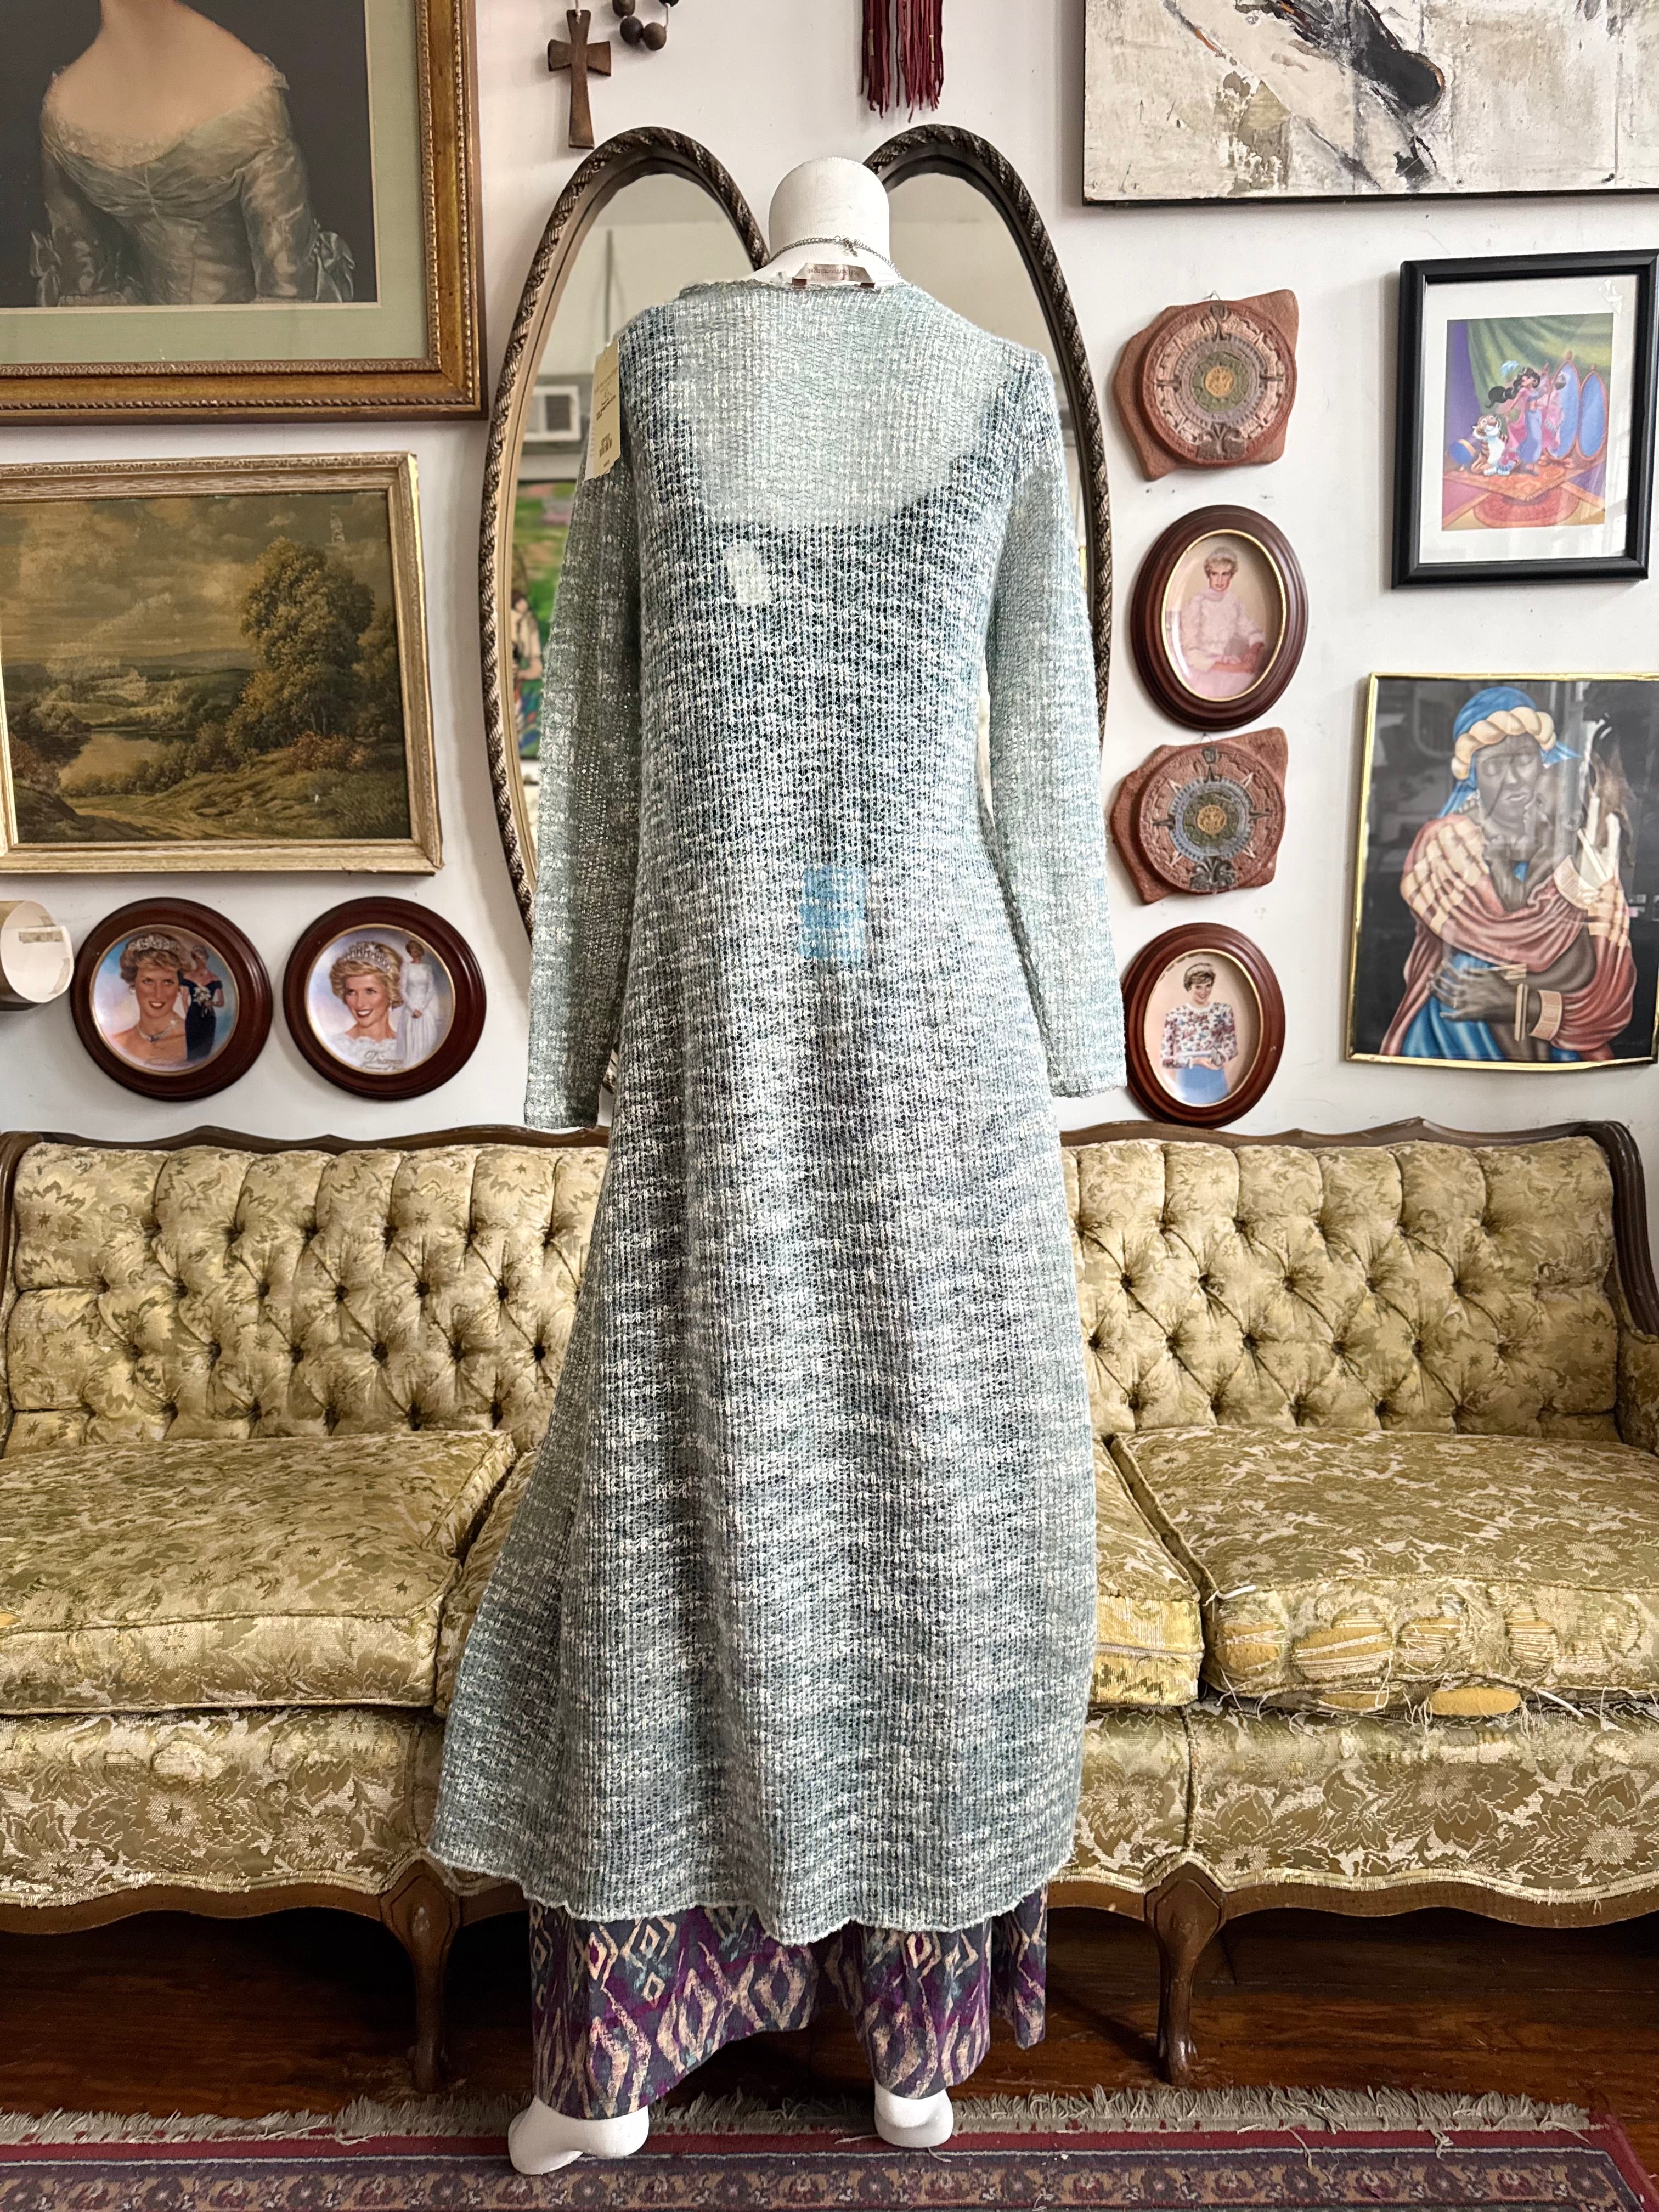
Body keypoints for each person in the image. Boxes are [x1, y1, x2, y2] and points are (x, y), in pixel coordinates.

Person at [432, 156, 1123, 2177]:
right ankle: (875, 2050)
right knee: (807, 1499)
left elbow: (614, 756)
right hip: (870, 1027)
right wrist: (1069, 1050)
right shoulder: (732, 382)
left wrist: (583, 1045)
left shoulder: (880, 388)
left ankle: (642, 2066)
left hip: (768, 1008)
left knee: (783, 1499)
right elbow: (619, 722)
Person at [32, 0, 354, 308]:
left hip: (237, 345)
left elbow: (290, 298)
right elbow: (87, 291)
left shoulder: (63, 107)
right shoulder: (62, 111)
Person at [1381, 685, 1635, 1063]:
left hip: (1558, 1049)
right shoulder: (1447, 841)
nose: (1513, 779)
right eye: (1494, 766)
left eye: (1524, 760)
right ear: (1474, 777)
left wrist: (1519, 1002)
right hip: (1450, 1035)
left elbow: (1605, 992)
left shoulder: (1581, 847)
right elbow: (1498, 939)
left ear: (1543, 762)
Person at [323, 939, 432, 1075]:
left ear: (391, 992)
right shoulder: (335, 1046)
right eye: (351, 992)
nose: (359, 1004)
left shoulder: (409, 1046)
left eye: (370, 991)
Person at [108, 930, 211, 1069]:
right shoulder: (117, 1042)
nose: (158, 994)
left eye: (168, 982)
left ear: (179, 986)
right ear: (134, 983)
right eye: (148, 981)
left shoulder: (196, 1041)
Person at [1174, 549, 1267, 701]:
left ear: (1231, 576)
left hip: (1225, 664)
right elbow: (1190, 654)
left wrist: (1253, 650)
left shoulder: (1233, 602)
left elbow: (1251, 631)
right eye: (1215, 574)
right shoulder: (1197, 603)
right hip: (1202, 668)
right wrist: (1237, 668)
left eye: (1225, 574)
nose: (1220, 580)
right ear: (1208, 575)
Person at [1159, 962, 1238, 1106]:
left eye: (1208, 986)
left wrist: (1219, 1058)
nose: (1204, 992)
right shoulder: (1175, 1016)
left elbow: (1231, 1047)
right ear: (1189, 987)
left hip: (1215, 1071)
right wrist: (1195, 1061)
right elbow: (1166, 1059)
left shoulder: (1223, 1011)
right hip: (1189, 1074)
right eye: (1198, 987)